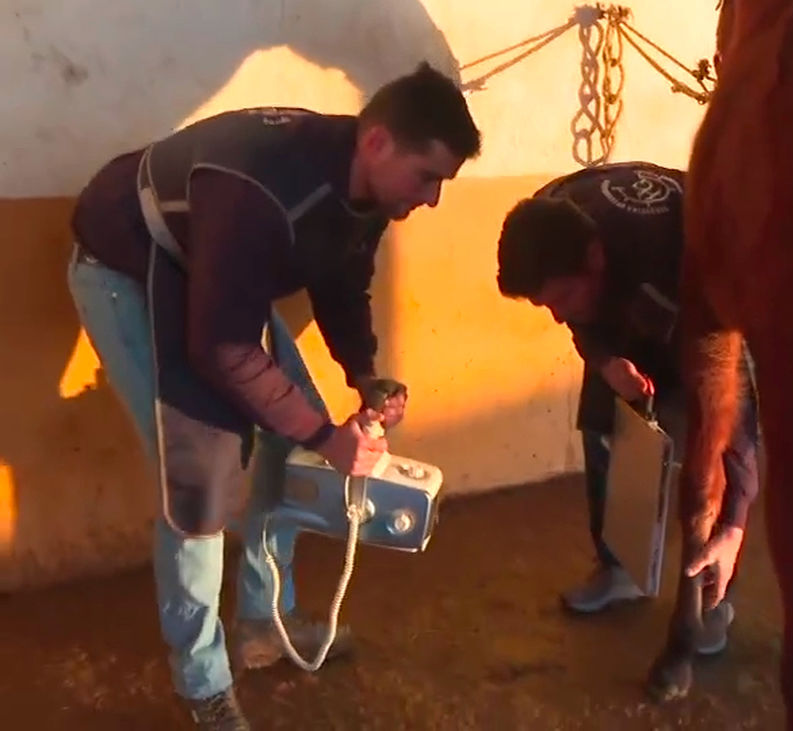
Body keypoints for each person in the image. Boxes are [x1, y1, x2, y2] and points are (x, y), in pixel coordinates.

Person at [64, 62, 481, 730]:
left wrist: (364, 373)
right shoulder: (259, 190)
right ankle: (202, 679)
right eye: (427, 175)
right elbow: (223, 348)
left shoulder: (369, 189)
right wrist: (329, 435)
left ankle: (263, 622)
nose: (431, 198)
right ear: (377, 143)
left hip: (214, 270)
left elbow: (344, 279)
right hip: (128, 264)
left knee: (289, 440)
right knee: (198, 480)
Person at [495, 161, 761, 655]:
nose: (558, 315)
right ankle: (620, 568)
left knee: (708, 453)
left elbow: (733, 407)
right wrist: (603, 358)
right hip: (627, 307)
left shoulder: (689, 258)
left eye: (563, 299)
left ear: (595, 259)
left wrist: (736, 522)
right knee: (603, 425)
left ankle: (715, 591)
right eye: (547, 306)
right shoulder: (550, 214)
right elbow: (579, 317)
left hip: (705, 308)